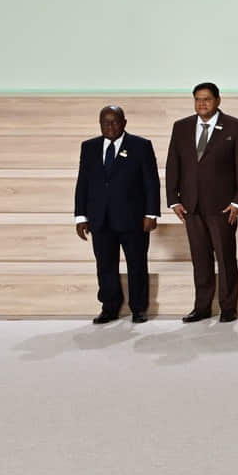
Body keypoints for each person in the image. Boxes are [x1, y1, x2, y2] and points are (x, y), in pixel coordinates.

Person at [165, 82, 238, 322]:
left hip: (223, 207)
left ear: (218, 100)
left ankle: (228, 307)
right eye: (197, 99)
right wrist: (173, 199)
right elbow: (173, 164)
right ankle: (202, 307)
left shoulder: (236, 127)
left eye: (207, 99)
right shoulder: (181, 127)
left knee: (225, 258)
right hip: (191, 206)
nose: (202, 103)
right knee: (200, 259)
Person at [75, 105, 160, 324]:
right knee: (105, 265)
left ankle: (138, 308)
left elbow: (151, 182)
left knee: (137, 264)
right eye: (105, 122)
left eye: (114, 121)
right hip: (100, 218)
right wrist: (81, 216)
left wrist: (151, 213)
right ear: (99, 124)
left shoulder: (141, 146)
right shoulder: (89, 147)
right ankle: (109, 307)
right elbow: (83, 183)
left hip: (133, 219)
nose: (110, 126)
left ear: (124, 123)